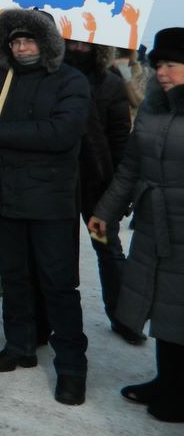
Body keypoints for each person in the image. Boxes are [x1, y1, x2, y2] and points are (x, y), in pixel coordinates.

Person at [0, 8, 90, 406]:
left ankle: (72, 368)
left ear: (47, 42)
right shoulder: (0, 78)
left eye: (29, 41)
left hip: (51, 201)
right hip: (5, 195)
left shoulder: (70, 80)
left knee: (58, 285)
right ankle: (19, 345)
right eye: (15, 42)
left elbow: (60, 133)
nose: (21, 48)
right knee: (14, 277)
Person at [88, 27, 184, 424]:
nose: (162, 72)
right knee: (162, 305)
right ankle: (167, 380)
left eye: (172, 65)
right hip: (153, 222)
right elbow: (130, 166)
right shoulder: (153, 106)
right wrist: (106, 210)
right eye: (159, 64)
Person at [63, 39, 142, 344]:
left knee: (108, 248)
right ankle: (54, 317)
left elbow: (120, 139)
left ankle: (125, 318)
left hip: (98, 184)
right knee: (60, 253)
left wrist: (120, 192)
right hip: (59, 184)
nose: (80, 48)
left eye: (87, 43)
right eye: (73, 42)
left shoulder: (110, 84)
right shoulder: (53, 78)